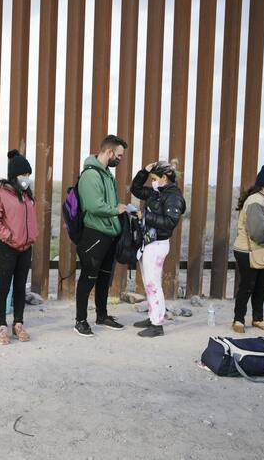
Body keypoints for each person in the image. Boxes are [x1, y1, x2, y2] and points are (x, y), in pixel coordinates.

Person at [74, 135, 129, 337]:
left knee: (104, 278)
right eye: (119, 155)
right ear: (109, 152)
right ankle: (80, 320)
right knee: (88, 278)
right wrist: (117, 210)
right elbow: (92, 205)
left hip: (108, 234)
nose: (120, 159)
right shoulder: (91, 175)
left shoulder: (107, 174)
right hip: (94, 234)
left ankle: (101, 315)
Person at [0, 149, 39, 345]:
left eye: (28, 175)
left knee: (19, 288)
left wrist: (32, 236)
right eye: (24, 175)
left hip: (25, 248)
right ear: (14, 175)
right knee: (4, 287)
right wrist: (9, 236)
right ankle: (1, 325)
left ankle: (18, 323)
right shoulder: (1, 193)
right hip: (9, 248)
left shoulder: (26, 194)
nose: (26, 179)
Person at [130, 161, 186, 338]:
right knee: (149, 283)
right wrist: (144, 172)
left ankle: (157, 324)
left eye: (154, 178)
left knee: (153, 284)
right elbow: (136, 189)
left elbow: (170, 223)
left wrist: (145, 216)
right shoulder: (157, 192)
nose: (152, 181)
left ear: (164, 178)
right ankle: (153, 316)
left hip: (158, 244)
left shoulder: (173, 196)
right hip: (148, 242)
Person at [231, 165, 264, 334]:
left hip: (259, 250)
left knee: (260, 285)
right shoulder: (256, 201)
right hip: (248, 251)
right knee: (248, 285)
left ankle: (258, 319)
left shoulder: (261, 199)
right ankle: (238, 320)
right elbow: (257, 232)